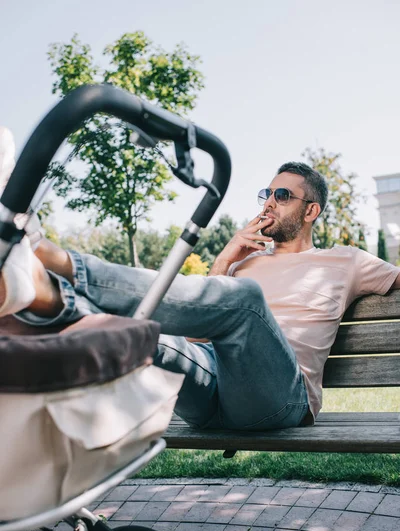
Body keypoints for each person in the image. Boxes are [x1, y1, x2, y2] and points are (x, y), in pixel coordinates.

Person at [1, 127, 399, 430]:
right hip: (210, 400)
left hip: (283, 401)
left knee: (244, 299)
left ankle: (53, 258)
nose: (269, 203)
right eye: (267, 193)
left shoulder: (346, 261)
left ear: (310, 211)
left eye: (283, 196)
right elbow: (194, 343)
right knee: (137, 333)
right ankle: (50, 297)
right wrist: (226, 257)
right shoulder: (244, 264)